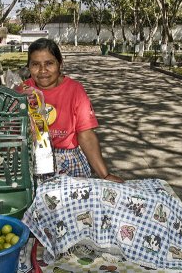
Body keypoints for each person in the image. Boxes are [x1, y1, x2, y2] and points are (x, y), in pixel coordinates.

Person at [17, 38, 124, 183]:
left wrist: (104, 175)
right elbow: (13, 133)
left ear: (60, 63)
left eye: (49, 63)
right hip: (32, 161)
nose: (42, 71)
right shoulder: (21, 91)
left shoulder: (75, 90)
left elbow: (86, 135)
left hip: (68, 163)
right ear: (28, 66)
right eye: (35, 64)